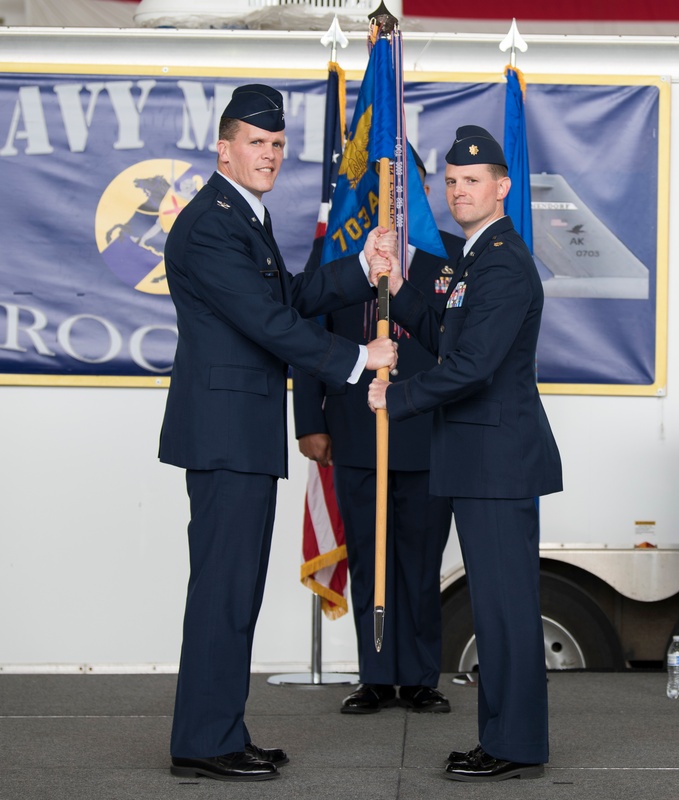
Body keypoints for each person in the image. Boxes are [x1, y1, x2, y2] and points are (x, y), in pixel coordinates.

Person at [158, 84, 398, 782]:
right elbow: (267, 324)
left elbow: (284, 299)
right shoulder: (211, 223)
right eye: (254, 144)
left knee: (235, 592)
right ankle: (203, 741)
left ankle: (219, 731)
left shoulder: (243, 216)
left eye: (275, 145)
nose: (268, 155)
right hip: (226, 435)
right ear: (223, 148)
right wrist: (358, 360)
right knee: (224, 592)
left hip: (241, 433)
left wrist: (360, 268)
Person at [367, 125, 562, 782]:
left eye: (471, 181)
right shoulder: (478, 260)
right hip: (480, 460)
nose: (458, 192)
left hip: (497, 463)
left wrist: (397, 400)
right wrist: (402, 293)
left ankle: (514, 747)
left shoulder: (503, 260)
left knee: (505, 611)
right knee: (497, 607)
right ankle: (506, 739)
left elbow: (474, 365)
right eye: (450, 182)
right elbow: (452, 332)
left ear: (501, 187)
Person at [292, 150, 464, 715]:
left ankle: (418, 676)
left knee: (419, 560)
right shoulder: (337, 249)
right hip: (355, 428)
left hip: (428, 430)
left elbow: (461, 345)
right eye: (382, 185)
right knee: (368, 556)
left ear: (421, 191)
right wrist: (310, 422)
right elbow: (304, 336)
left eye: (405, 185)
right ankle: (375, 674)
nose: (394, 197)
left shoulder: (450, 255)